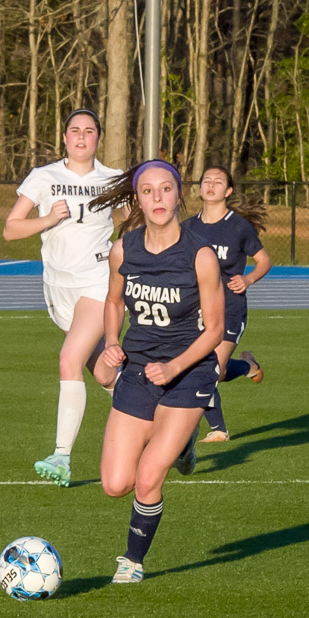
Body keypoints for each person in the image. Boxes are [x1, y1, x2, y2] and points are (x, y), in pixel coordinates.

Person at [90, 159, 224, 584]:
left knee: (148, 479)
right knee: (115, 484)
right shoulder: (123, 249)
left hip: (189, 372)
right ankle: (182, 447)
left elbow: (216, 329)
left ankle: (132, 561)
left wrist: (176, 366)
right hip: (138, 371)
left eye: (165, 189)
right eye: (147, 191)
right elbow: (113, 302)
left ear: (178, 194)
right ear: (137, 200)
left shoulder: (200, 255)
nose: (157, 198)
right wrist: (112, 342)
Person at [4, 109, 122, 487]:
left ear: (98, 139)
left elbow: (134, 216)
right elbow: (10, 229)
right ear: (65, 138)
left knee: (68, 359)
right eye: (75, 131)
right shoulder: (44, 177)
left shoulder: (113, 179)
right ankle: (174, 428)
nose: (82, 137)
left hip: (98, 283)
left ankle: (61, 456)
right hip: (59, 289)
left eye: (89, 131)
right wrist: (47, 220)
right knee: (104, 373)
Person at [183, 165, 272, 442]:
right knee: (207, 369)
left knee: (213, 370)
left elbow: (264, 260)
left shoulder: (238, 226)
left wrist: (248, 280)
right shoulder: (188, 228)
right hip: (196, 310)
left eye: (218, 181)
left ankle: (219, 425)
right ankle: (245, 370)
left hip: (230, 308)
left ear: (228, 190)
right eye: (206, 180)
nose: (210, 185)